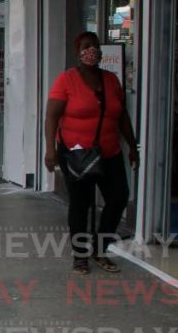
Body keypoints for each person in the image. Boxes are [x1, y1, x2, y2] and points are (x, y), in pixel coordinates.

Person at [44, 31, 139, 275]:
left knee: (118, 198)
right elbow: (52, 116)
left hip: (109, 152)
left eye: (95, 46)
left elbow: (122, 116)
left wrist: (133, 146)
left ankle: (99, 248)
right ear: (78, 52)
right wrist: (50, 150)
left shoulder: (111, 80)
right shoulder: (66, 80)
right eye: (86, 47)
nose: (92, 51)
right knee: (81, 205)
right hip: (77, 155)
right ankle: (80, 256)